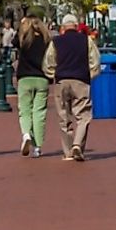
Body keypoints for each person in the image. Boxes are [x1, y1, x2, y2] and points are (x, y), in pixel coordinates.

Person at [44, 10, 94, 162]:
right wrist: (89, 75)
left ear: (63, 28)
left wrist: (54, 74)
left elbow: (48, 62)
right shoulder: (86, 40)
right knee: (83, 115)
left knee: (63, 117)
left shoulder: (56, 42)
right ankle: (77, 144)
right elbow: (95, 60)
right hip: (81, 80)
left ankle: (68, 152)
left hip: (62, 80)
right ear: (76, 26)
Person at [14, 15, 50, 157]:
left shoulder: (24, 40)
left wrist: (21, 25)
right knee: (39, 112)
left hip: (25, 78)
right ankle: (38, 147)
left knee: (25, 110)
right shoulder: (46, 40)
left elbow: (13, 41)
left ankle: (26, 134)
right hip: (42, 78)